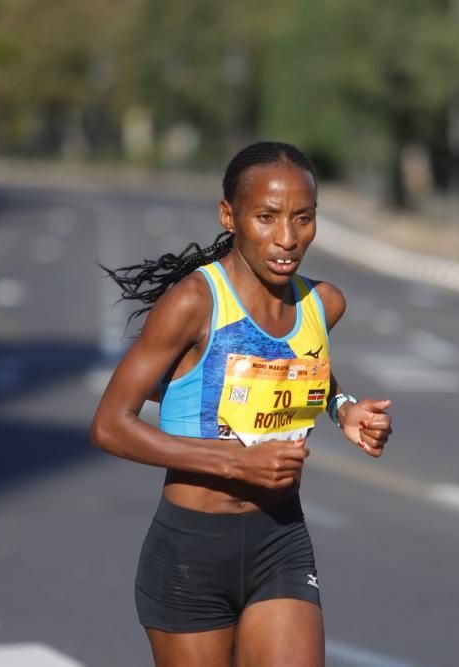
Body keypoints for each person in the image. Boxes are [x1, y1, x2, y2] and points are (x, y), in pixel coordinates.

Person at [91, 141, 393, 666]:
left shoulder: (323, 304)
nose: (287, 238)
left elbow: (300, 366)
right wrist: (236, 459)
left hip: (280, 540)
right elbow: (110, 426)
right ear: (229, 216)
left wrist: (343, 407)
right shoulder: (194, 302)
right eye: (267, 217)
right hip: (191, 552)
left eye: (304, 218)